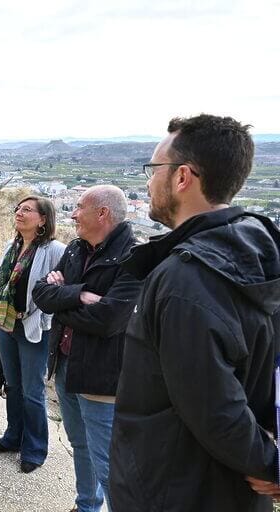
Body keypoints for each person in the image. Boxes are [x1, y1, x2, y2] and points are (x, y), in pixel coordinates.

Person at [110, 115, 280, 511]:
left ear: (183, 177)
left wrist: (272, 465)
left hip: (173, 490)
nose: (149, 181)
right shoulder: (262, 256)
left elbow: (215, 409)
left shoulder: (185, 280)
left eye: (154, 170)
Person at [32, 185, 141, 512]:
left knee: (107, 462)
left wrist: (63, 296)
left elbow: (108, 319)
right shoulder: (78, 248)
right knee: (80, 444)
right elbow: (41, 294)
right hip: (66, 364)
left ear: (103, 213)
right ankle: (86, 506)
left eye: (80, 207)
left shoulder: (134, 257)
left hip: (101, 378)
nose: (74, 214)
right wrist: (79, 296)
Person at [0, 195, 65, 471]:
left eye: (27, 210)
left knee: (33, 391)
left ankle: (34, 448)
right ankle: (13, 436)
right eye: (18, 208)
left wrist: (46, 317)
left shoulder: (56, 250)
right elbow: (0, 284)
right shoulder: (12, 245)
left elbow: (61, 291)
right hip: (7, 325)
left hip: (35, 329)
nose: (19, 213)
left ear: (43, 219)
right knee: (13, 385)